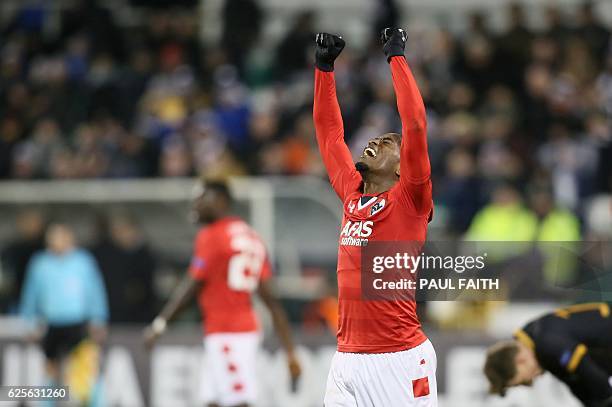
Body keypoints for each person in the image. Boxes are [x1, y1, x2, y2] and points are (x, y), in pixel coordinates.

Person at [313, 29, 437, 406]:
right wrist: (324, 69)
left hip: (398, 358)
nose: (375, 141)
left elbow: (414, 123)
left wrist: (396, 57)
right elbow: (329, 134)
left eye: (387, 143)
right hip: (346, 358)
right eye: (376, 138)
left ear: (403, 168)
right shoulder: (352, 192)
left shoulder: (410, 199)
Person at [143, 180, 301, 407]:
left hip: (227, 333)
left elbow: (192, 286)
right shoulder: (250, 235)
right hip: (241, 329)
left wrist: (160, 324)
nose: (195, 205)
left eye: (201, 199)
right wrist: (290, 352)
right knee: (213, 400)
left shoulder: (213, 235)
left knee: (238, 401)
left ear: (221, 201)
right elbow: (271, 300)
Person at [20, 222, 108, 405]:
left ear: (69, 238)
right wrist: (28, 321)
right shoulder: (40, 263)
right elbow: (31, 293)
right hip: (52, 322)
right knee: (50, 370)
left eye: (60, 236)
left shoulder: (83, 261)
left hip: (78, 322)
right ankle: (47, 403)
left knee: (84, 370)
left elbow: (95, 290)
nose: (56, 241)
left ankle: (93, 403)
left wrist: (98, 318)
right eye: (52, 237)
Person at [484, 302, 612, 407]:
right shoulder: (536, 344)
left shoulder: (547, 343)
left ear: (520, 360)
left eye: (523, 381)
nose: (530, 383)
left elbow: (593, 377)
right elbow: (581, 387)